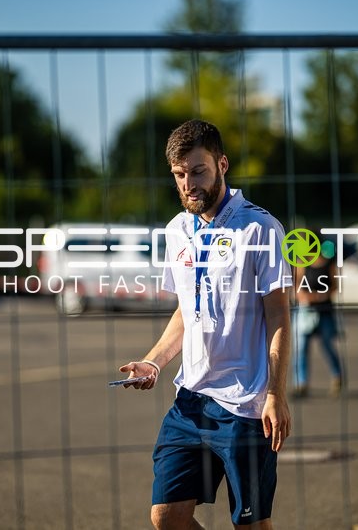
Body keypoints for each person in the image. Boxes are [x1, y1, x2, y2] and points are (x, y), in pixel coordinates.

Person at [118, 119, 293, 530]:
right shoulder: (177, 230)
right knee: (166, 516)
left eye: (198, 171)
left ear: (222, 165)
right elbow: (187, 310)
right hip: (191, 401)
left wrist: (276, 393)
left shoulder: (260, 228)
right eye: (179, 175)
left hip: (246, 406)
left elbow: (279, 314)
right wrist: (154, 362)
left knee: (251, 525)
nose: (188, 184)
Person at [290, 247, 342, 399]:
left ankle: (337, 377)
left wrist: (321, 296)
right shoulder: (301, 263)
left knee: (327, 346)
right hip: (305, 311)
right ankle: (301, 384)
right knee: (301, 349)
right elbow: (295, 287)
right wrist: (305, 297)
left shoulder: (328, 263)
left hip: (324, 310)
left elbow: (335, 285)